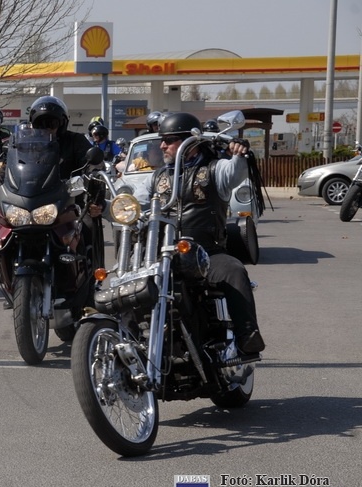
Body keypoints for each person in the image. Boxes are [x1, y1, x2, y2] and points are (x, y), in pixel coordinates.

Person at [135, 112, 265, 359]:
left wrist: (238, 152)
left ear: (191, 142)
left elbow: (235, 173)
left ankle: (247, 336)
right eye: (162, 140)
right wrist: (109, 204)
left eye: (169, 140)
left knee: (234, 271)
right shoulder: (157, 177)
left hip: (208, 252)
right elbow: (132, 201)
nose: (162, 145)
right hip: (163, 254)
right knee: (132, 284)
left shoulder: (215, 170)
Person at [29, 96, 105, 270]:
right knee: (5, 225)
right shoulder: (25, 144)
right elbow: (7, 166)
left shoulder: (75, 141)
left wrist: (95, 196)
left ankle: (91, 272)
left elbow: (94, 167)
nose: (47, 128)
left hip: (68, 203)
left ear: (62, 123)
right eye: (41, 124)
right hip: (31, 203)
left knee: (87, 225)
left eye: (52, 123)